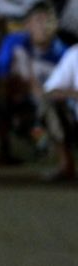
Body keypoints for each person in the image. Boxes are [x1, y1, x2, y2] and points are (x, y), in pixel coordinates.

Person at [0, 1, 68, 162]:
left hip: (52, 104)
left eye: (49, 20)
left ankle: (54, 145)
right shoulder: (13, 42)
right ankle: (5, 148)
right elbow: (0, 75)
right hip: (20, 97)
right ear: (27, 24)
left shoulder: (64, 53)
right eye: (39, 20)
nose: (44, 26)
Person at [42, 42, 78, 180]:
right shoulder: (75, 53)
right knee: (48, 104)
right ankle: (66, 164)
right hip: (75, 121)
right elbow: (50, 91)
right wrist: (75, 94)